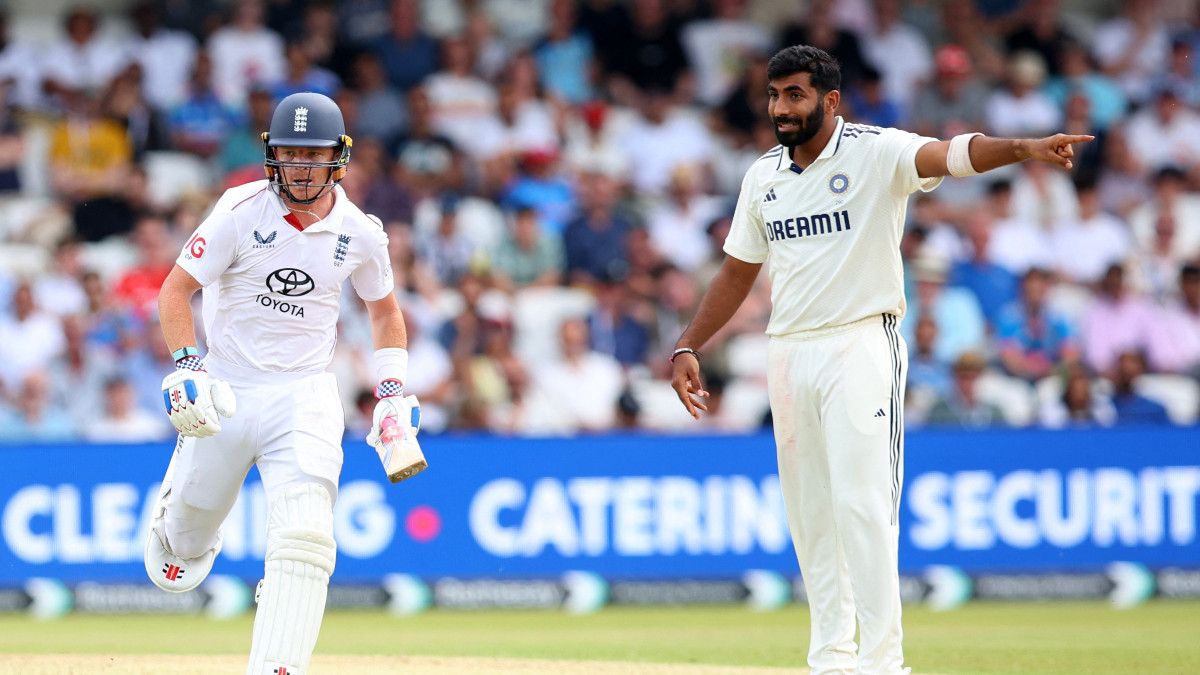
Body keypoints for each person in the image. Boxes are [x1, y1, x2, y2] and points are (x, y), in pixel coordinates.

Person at [669, 45, 1092, 675]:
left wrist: (1024, 149)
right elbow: (737, 272)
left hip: (861, 341)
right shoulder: (763, 175)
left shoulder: (874, 150)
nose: (780, 109)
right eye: (774, 95)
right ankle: (831, 656)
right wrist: (687, 344)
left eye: (795, 95)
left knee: (863, 505)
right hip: (788, 349)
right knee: (810, 514)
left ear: (830, 100)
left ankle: (882, 662)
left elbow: (952, 154)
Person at [146, 92, 422, 675]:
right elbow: (176, 290)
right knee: (182, 549)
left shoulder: (361, 232)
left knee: (305, 536)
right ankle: (177, 514)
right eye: (289, 154)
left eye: (312, 155)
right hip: (226, 385)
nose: (299, 167)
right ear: (272, 155)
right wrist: (189, 366)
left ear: (337, 159)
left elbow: (385, 312)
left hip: (305, 393)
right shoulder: (240, 210)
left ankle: (278, 667)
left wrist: (392, 391)